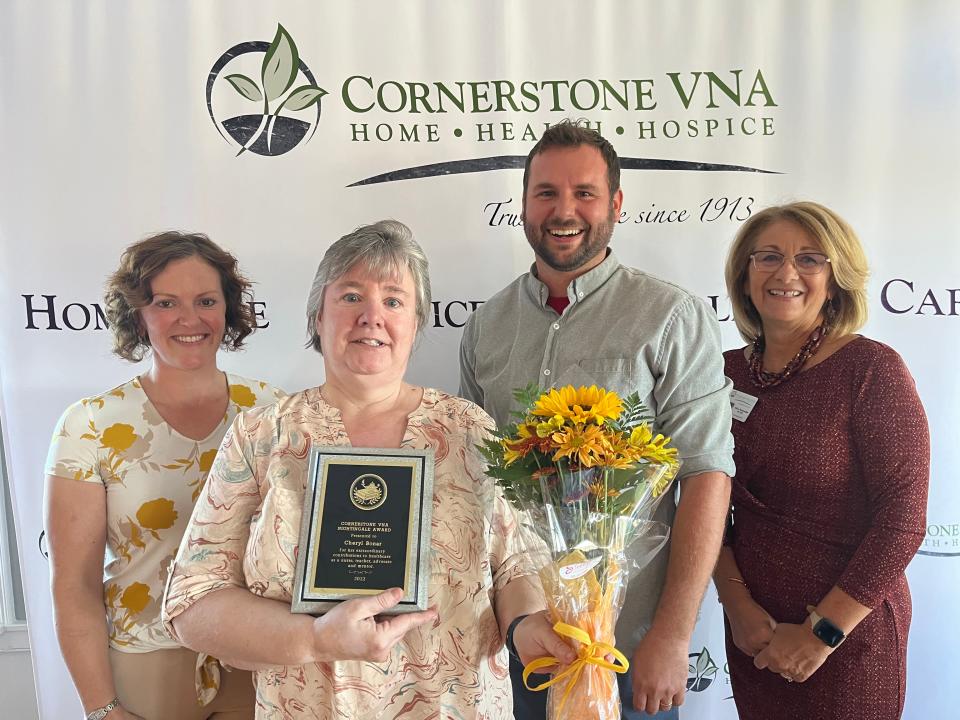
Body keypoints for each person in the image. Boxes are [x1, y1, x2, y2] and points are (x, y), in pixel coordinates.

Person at [162, 220, 574, 719]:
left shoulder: (468, 429)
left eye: (394, 301)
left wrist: (527, 625)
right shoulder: (262, 435)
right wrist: (313, 639)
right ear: (317, 316)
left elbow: (517, 565)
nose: (372, 317)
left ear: (417, 324)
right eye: (351, 296)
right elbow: (192, 602)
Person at [459, 120, 735, 718]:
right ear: (525, 203)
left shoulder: (670, 315)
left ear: (614, 204)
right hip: (520, 644)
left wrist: (672, 635)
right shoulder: (488, 326)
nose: (564, 211)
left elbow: (707, 477)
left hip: (632, 645)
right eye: (546, 193)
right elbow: (476, 489)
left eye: (584, 193)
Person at [44, 232, 283, 720]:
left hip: (260, 659)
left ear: (228, 309)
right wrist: (102, 708)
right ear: (137, 313)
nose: (189, 319)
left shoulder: (273, 412)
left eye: (206, 301)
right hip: (146, 666)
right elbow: (74, 586)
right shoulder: (90, 424)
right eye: (166, 302)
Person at [714, 201, 929, 718]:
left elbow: (903, 519)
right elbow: (705, 501)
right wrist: (738, 608)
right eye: (768, 257)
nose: (786, 273)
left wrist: (822, 633)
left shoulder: (871, 370)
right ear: (745, 276)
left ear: (835, 282)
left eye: (810, 259)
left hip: (847, 638)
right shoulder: (721, 375)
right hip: (754, 638)